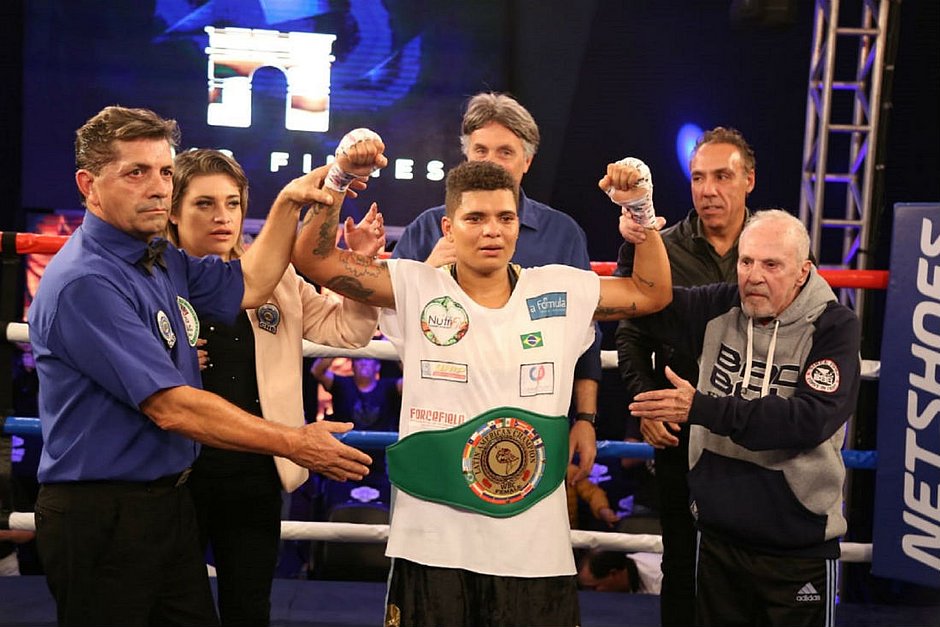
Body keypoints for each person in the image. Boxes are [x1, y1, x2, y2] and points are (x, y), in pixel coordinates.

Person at [290, 128, 672, 626]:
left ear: (518, 225)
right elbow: (314, 259)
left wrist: (641, 212)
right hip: (432, 538)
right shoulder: (414, 285)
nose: (492, 230)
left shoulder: (560, 291)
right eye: (475, 218)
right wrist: (338, 180)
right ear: (448, 228)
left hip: (533, 543)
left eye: (504, 218)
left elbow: (651, 292)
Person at [26, 106, 373, 626]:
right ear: (88, 185)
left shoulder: (156, 259)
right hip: (103, 512)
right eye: (136, 172)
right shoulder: (87, 281)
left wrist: (288, 202)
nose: (157, 187)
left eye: (164, 172)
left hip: (167, 504)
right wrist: (294, 442)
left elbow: (251, 282)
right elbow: (171, 407)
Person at [165, 148, 382, 626]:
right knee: (173, 608)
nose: (222, 217)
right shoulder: (153, 280)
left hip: (258, 469)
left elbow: (347, 330)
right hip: (173, 474)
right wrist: (169, 359)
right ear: (173, 211)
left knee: (249, 607)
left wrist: (357, 269)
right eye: (204, 204)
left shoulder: (276, 277)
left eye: (232, 203)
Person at [629, 209, 861, 627]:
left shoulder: (834, 326)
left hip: (796, 546)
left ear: (803, 272)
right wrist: (640, 234)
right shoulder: (720, 305)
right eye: (746, 261)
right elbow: (648, 304)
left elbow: (809, 420)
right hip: (717, 539)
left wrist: (702, 408)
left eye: (771, 265)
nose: (754, 276)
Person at [392, 92, 603, 484]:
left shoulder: (561, 233)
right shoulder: (427, 229)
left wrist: (586, 418)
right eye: (480, 150)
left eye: (505, 152)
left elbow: (588, 330)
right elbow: (391, 321)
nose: (490, 162)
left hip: (533, 421)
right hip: (442, 419)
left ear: (527, 161)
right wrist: (427, 272)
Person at [613, 126, 756, 626]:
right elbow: (630, 334)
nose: (708, 189)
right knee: (682, 562)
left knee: (752, 564)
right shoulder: (659, 246)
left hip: (755, 431)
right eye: (698, 178)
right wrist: (647, 404)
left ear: (748, 180)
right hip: (682, 433)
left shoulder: (775, 248)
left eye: (722, 176)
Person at [577, 549, 663, 594]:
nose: (590, 594)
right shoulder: (626, 564)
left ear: (614, 574)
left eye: (593, 588)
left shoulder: (660, 578)